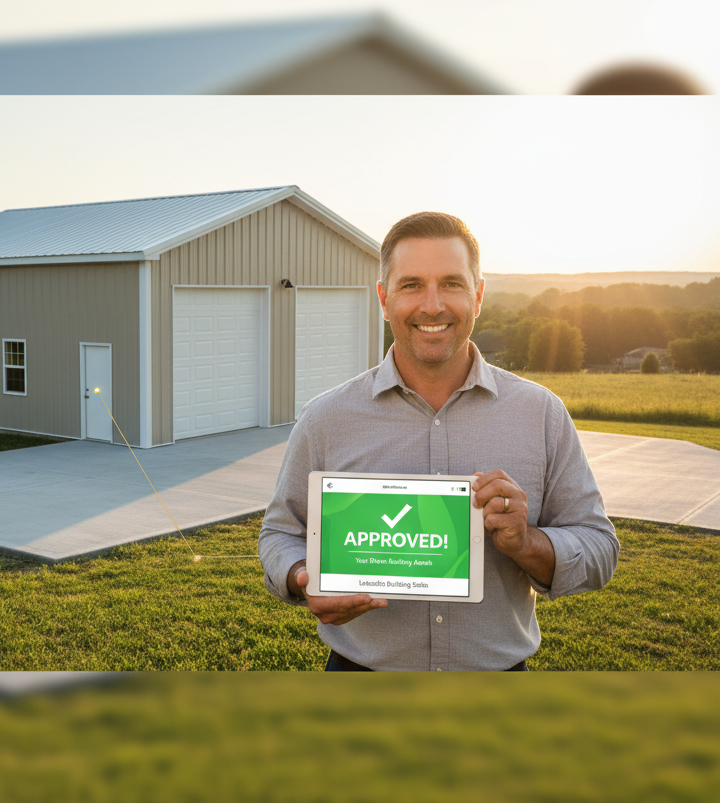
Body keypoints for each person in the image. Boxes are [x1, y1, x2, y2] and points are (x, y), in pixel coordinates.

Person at [258, 211, 619, 671]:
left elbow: (599, 548)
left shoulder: (540, 413)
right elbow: (280, 533)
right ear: (384, 300)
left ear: (479, 295)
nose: (433, 306)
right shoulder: (326, 418)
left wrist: (526, 543)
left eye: (451, 283)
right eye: (411, 286)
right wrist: (301, 576)